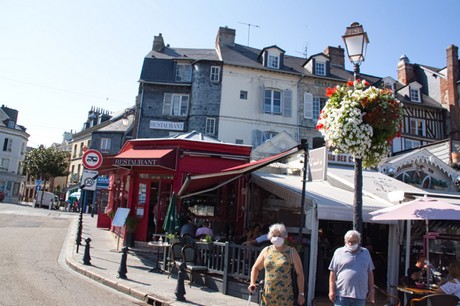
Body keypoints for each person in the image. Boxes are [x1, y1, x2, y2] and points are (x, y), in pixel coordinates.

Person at [248, 223, 305, 306]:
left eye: (280, 236)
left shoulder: (291, 252)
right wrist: (252, 282)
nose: (277, 238)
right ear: (270, 236)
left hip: (285, 297)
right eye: (274, 235)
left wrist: (301, 293)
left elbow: (300, 273)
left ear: (285, 237)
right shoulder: (266, 250)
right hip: (268, 296)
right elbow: (256, 268)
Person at [328, 230, 375, 306]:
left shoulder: (366, 252)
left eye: (353, 241)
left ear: (358, 241)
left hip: (360, 295)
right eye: (348, 241)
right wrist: (331, 290)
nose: (350, 244)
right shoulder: (338, 252)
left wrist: (371, 290)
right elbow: (332, 273)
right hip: (342, 294)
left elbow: (370, 272)